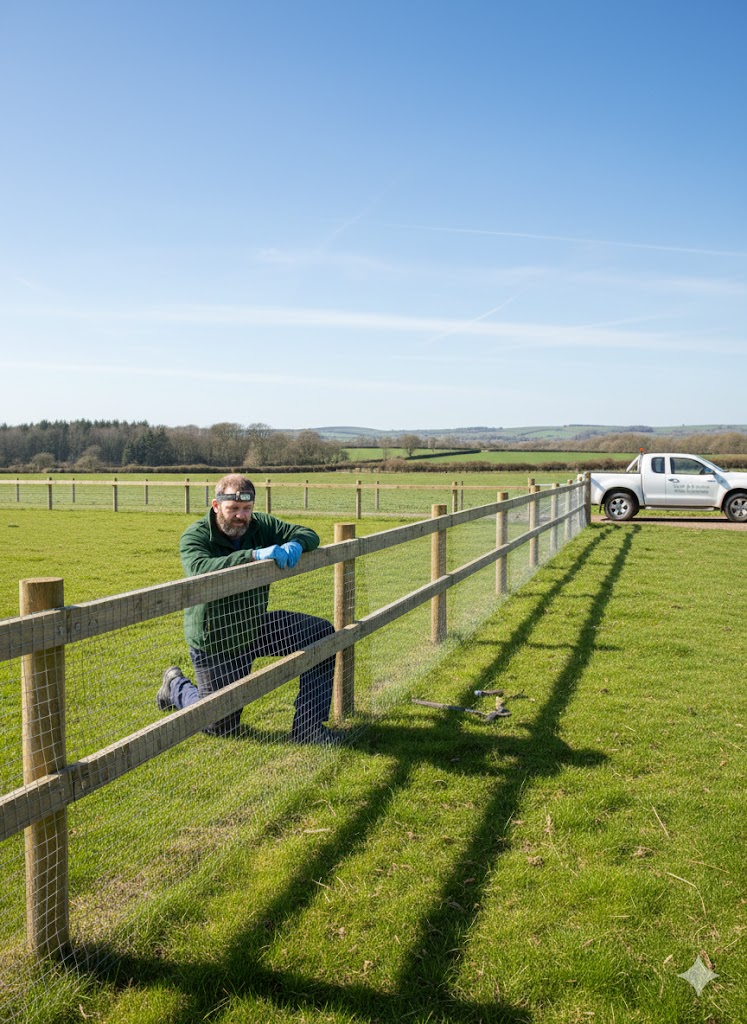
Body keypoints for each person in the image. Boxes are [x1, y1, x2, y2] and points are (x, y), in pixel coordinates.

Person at [156, 474, 340, 744]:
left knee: (321, 634)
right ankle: (175, 686)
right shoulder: (195, 535)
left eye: (247, 509)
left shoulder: (259, 524)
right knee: (218, 724)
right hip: (217, 638)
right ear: (216, 505)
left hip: (254, 625)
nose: (241, 517)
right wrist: (253, 556)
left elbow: (308, 533)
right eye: (233, 509)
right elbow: (198, 569)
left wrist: (296, 543)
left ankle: (308, 729)